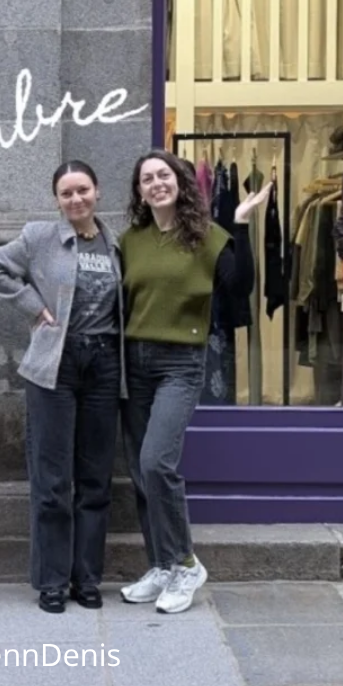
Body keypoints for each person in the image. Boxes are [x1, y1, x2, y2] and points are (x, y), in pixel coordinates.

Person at [118, 149, 270, 614]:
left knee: (156, 462)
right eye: (147, 179)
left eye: (164, 174)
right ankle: (162, 564)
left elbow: (240, 286)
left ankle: (186, 562)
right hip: (134, 362)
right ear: (140, 192)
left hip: (180, 363)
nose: (156, 183)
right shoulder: (130, 241)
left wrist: (242, 223)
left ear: (181, 181)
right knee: (141, 473)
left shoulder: (206, 236)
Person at [0, 161, 124, 614]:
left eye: (82, 190)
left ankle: (87, 578)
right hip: (54, 367)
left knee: (96, 479)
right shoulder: (39, 237)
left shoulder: (115, 242)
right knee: (53, 479)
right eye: (66, 193)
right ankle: (53, 581)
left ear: (97, 191)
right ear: (56, 199)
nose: (75, 199)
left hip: (103, 364)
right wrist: (34, 307)